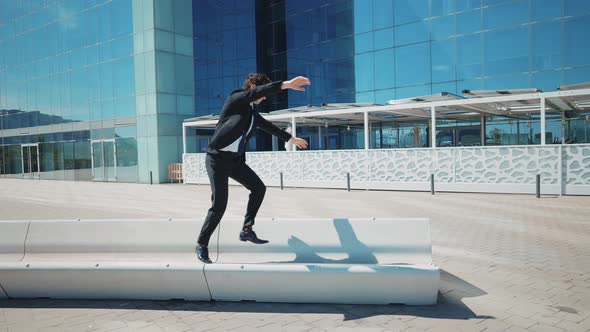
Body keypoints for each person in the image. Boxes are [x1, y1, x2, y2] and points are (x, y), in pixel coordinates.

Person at [196, 73, 310, 263]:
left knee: (259, 188)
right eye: (261, 93)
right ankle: (202, 244)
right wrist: (287, 84)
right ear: (252, 87)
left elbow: (270, 127)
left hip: (235, 161)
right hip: (216, 159)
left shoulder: (252, 115)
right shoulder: (236, 99)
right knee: (219, 205)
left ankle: (247, 230)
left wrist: (291, 139)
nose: (264, 98)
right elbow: (259, 92)